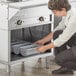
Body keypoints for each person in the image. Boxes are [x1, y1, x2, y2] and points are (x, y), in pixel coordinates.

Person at [35, 0, 76, 74]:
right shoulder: (67, 13)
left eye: (54, 11)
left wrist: (44, 48)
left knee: (58, 59)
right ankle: (67, 68)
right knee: (57, 34)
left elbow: (62, 39)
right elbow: (58, 29)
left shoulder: (74, 18)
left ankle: (69, 66)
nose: (53, 14)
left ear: (63, 9)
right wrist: (43, 41)